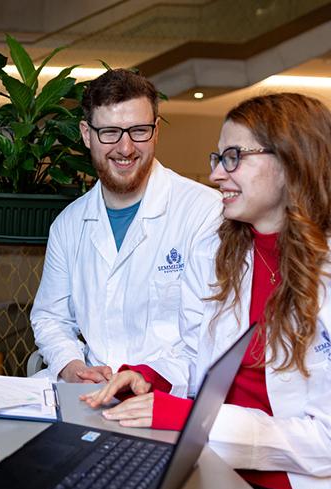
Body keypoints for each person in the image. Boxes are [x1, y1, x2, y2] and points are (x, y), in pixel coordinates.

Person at [84, 93, 331, 489]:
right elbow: (199, 356)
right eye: (218, 157)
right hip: (211, 469)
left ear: (292, 163)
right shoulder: (218, 252)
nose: (215, 174)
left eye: (233, 157)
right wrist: (153, 377)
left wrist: (191, 420)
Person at [30, 68, 221, 383]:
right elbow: (51, 318)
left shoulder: (204, 213)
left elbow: (211, 336)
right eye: (110, 133)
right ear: (86, 134)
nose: (126, 148)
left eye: (138, 131)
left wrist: (146, 378)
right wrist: (72, 367)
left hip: (166, 393)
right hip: (88, 392)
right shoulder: (69, 224)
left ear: (156, 130)